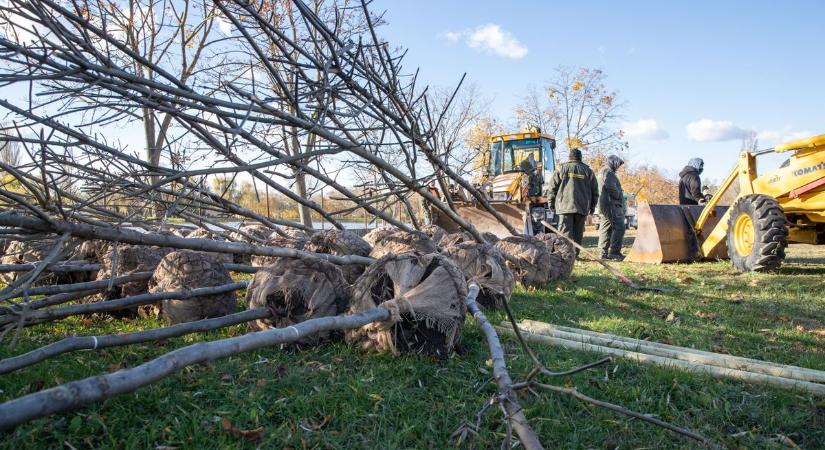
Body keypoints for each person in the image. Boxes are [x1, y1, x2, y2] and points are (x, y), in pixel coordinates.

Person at [548, 148, 599, 248]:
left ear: (569, 157)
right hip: (582, 207)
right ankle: (576, 254)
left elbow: (552, 188)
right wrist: (592, 207)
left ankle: (564, 255)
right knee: (578, 232)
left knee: (564, 232)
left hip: (564, 207)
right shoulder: (588, 171)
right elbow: (595, 192)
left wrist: (551, 203)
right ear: (580, 158)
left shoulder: (561, 169)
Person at [597, 155, 626, 260]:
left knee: (606, 227)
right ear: (613, 162)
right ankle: (615, 252)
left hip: (605, 203)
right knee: (620, 227)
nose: (618, 167)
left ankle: (602, 253)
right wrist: (619, 195)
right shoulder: (608, 172)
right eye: (618, 164)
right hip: (611, 204)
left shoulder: (603, 171)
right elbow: (611, 188)